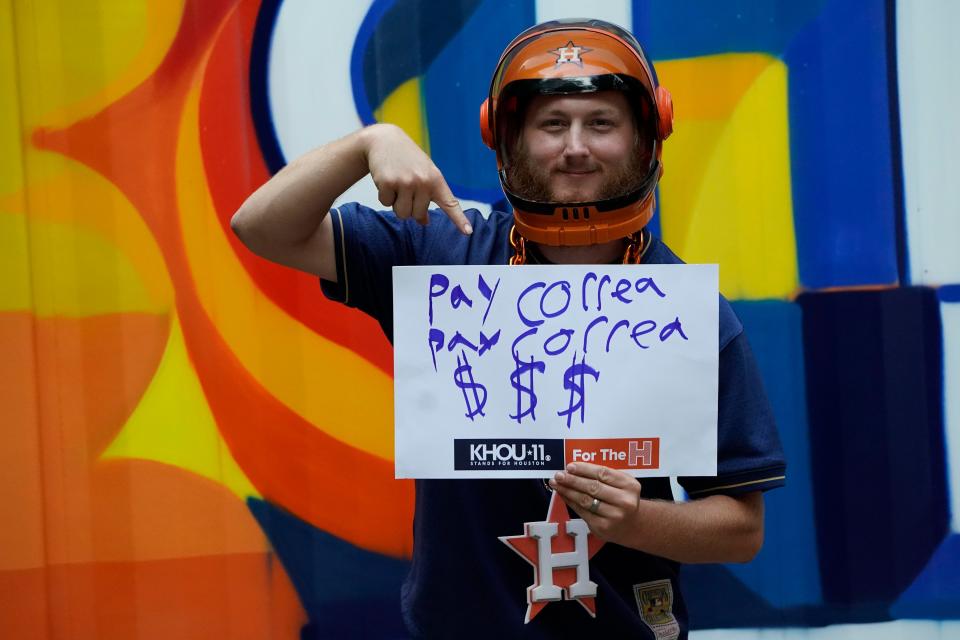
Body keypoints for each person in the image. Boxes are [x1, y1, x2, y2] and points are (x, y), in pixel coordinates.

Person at [232, 18, 785, 639]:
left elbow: (742, 530)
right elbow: (261, 227)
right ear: (505, 136)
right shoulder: (439, 257)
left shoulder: (692, 312)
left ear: (649, 134)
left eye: (601, 122)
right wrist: (368, 143)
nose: (575, 145)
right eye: (552, 124)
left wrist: (636, 522)